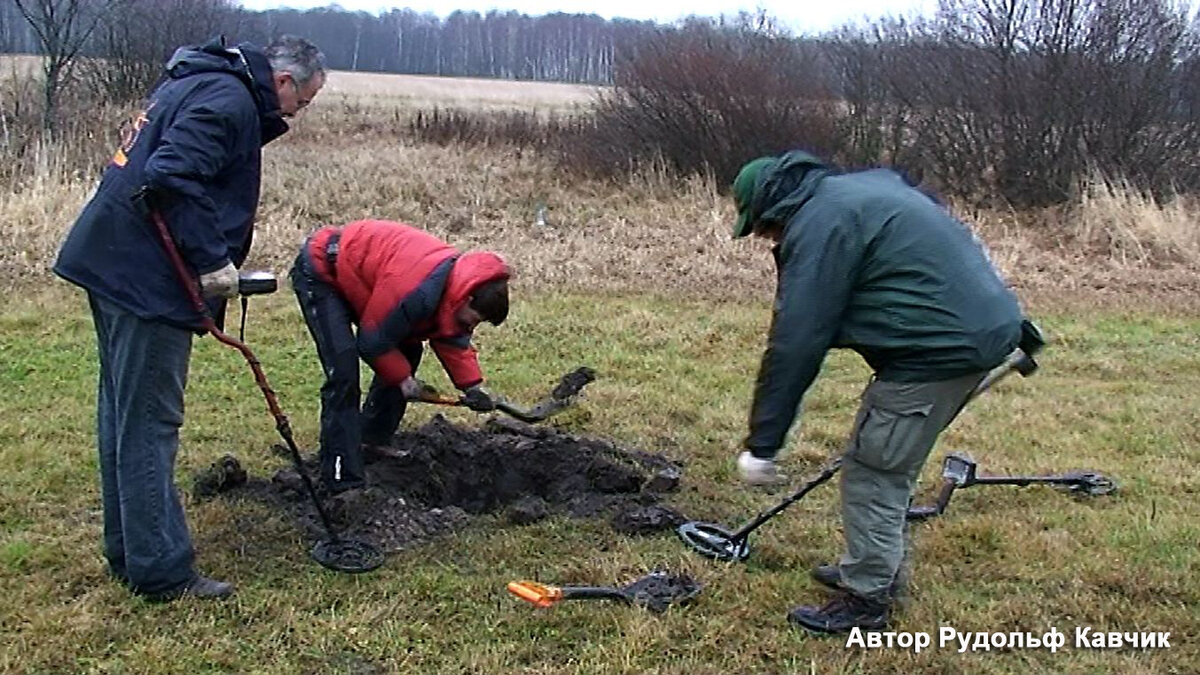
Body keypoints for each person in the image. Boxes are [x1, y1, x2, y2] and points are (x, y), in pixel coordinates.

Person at [52, 35, 327, 602]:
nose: (302, 112)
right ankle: (162, 573)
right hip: (144, 278)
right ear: (283, 82)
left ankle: (129, 554)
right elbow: (173, 174)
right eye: (305, 100)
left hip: (114, 262)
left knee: (124, 417)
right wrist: (212, 260)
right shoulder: (227, 101)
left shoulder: (199, 81)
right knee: (150, 423)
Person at [727, 151, 1027, 634]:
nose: (768, 240)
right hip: (981, 332)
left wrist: (764, 443)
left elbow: (797, 340)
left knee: (875, 470)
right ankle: (871, 566)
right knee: (890, 460)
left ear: (772, 210)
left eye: (762, 229)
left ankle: (867, 598)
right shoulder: (863, 191)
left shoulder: (821, 225)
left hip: (939, 352)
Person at [289, 220, 511, 495]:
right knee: (344, 373)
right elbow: (372, 342)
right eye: (476, 319)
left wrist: (472, 386)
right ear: (466, 299)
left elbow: (451, 336)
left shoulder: (454, 287)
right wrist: (405, 381)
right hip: (323, 271)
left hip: (364, 280)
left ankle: (371, 440)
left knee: (408, 348)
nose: (473, 326)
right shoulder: (416, 289)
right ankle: (341, 477)